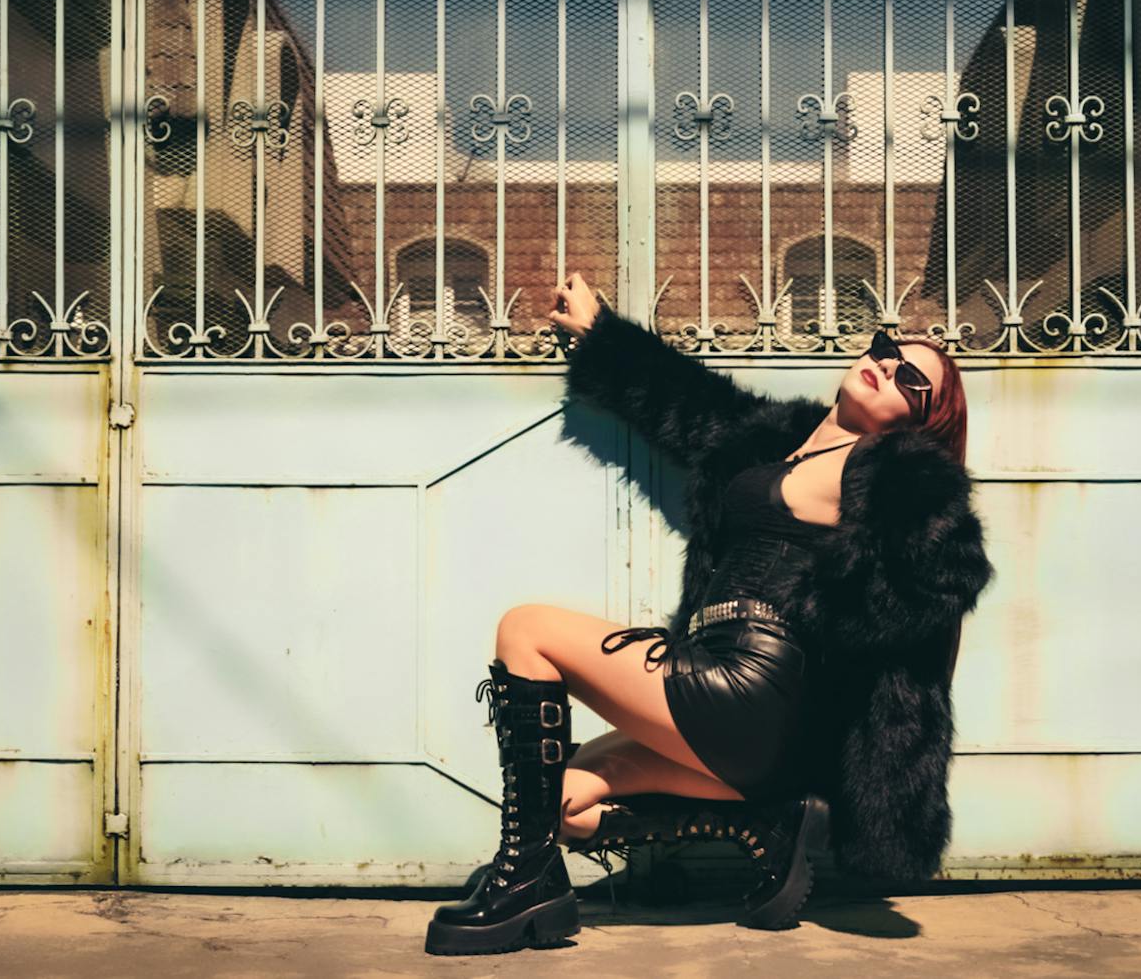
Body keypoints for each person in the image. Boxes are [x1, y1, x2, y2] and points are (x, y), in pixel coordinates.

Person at [424, 273, 995, 956]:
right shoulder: (781, 439)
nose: (885, 364)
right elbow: (689, 404)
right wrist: (601, 334)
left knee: (527, 629)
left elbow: (946, 574)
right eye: (884, 348)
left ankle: (525, 884)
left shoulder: (886, 470)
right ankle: (772, 818)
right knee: (564, 803)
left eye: (911, 379)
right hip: (731, 700)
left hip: (752, 689)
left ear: (921, 421)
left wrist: (830, 614)